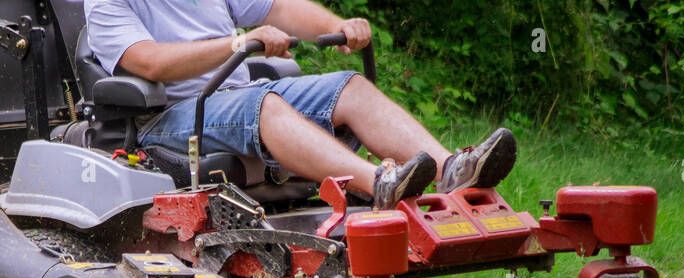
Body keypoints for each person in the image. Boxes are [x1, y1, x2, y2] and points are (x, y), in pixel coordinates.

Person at [85, 0, 516, 208]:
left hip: (234, 101)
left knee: (350, 87)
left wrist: (337, 25)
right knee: (265, 104)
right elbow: (149, 62)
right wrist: (238, 43)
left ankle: (451, 172)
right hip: (169, 119)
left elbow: (278, 6)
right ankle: (381, 183)